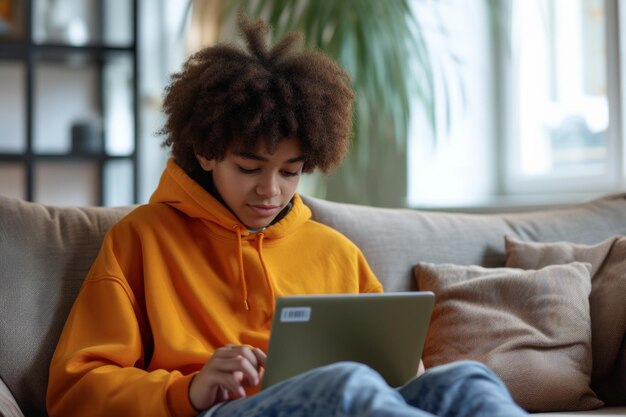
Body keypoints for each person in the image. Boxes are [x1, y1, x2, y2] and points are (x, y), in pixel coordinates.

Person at [46, 16, 528, 417]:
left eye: (291, 171)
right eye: (249, 167)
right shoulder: (141, 239)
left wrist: (413, 375)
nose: (270, 190)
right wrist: (186, 391)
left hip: (342, 401)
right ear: (207, 151)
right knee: (347, 386)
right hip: (218, 411)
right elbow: (75, 390)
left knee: (469, 381)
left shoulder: (335, 251)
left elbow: (401, 369)